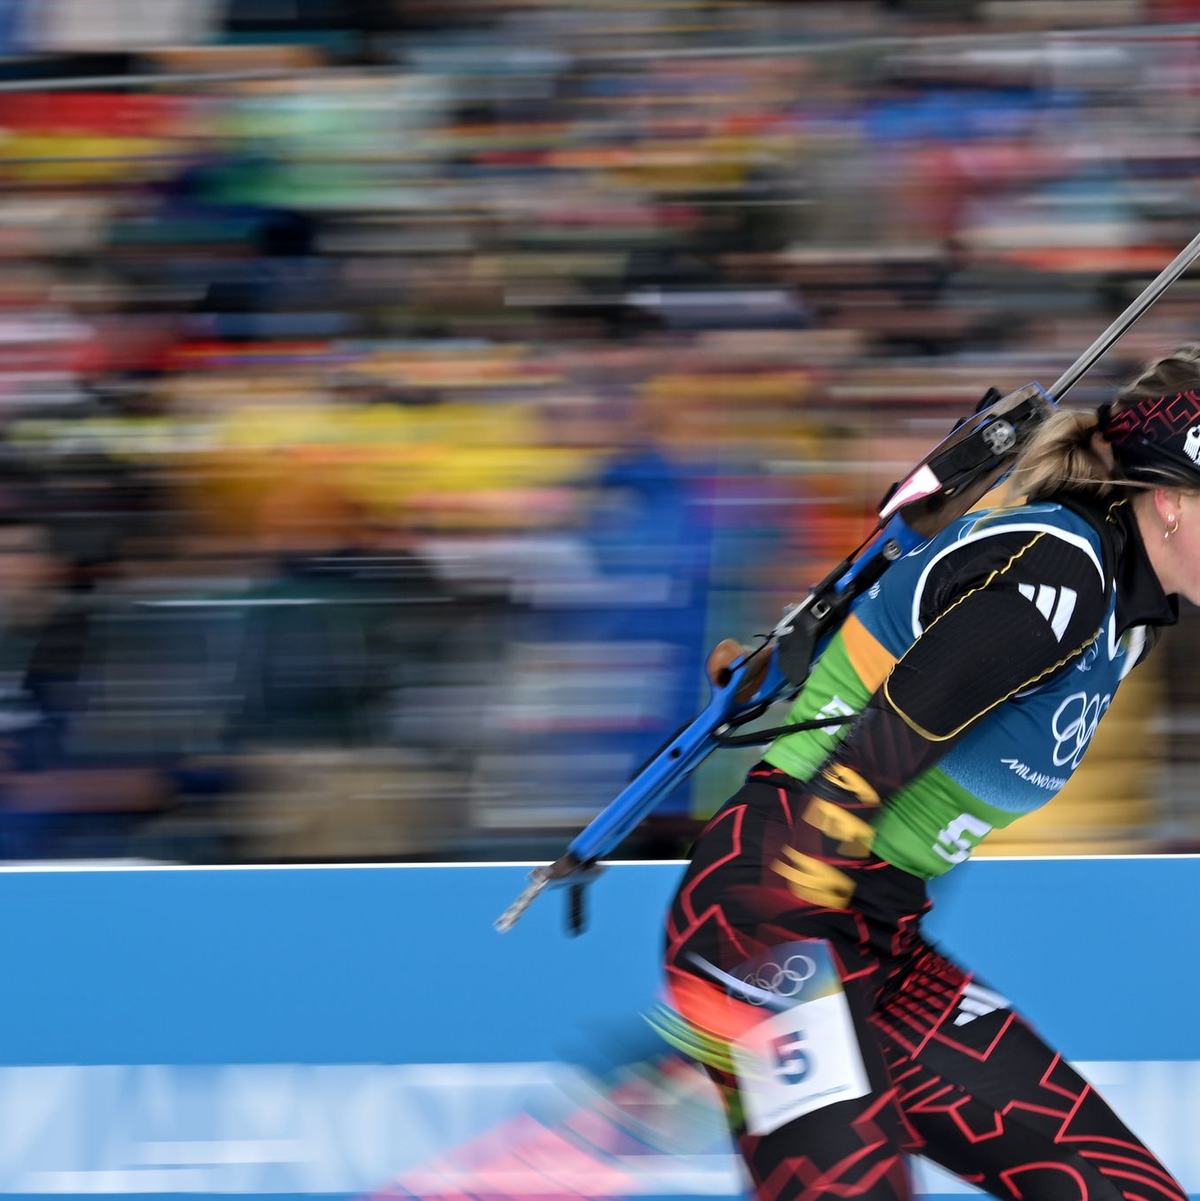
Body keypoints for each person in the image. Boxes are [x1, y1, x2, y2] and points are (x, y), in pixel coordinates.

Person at [664, 347, 1200, 1201]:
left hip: (877, 937)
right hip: (777, 904)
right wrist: (766, 948)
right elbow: (877, 750)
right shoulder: (1062, 571)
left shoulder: (1130, 615)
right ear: (1170, 499)